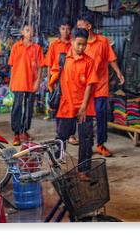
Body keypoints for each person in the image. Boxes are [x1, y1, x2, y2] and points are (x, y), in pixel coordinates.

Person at [49, 28, 99, 176]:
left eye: (84, 45)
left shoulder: (89, 61)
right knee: (61, 136)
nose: (81, 48)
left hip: (85, 106)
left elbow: (90, 84)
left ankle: (83, 170)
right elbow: (53, 79)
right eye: (78, 44)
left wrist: (83, 106)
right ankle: (57, 162)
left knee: (86, 139)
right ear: (72, 41)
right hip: (66, 104)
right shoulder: (63, 59)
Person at [76, 14, 125, 157]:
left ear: (89, 26)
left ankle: (100, 144)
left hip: (100, 86)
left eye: (81, 26)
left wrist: (119, 73)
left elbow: (111, 59)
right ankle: (87, 144)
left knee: (101, 115)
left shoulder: (103, 41)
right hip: (85, 88)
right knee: (86, 118)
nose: (78, 29)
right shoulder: (80, 44)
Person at [8, 24, 43, 146]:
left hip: (31, 83)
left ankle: (24, 130)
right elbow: (12, 67)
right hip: (18, 82)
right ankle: (16, 133)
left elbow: (39, 68)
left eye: (32, 30)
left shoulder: (37, 48)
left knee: (29, 108)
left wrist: (37, 81)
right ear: (22, 32)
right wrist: (11, 83)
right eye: (27, 30)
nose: (30, 32)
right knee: (17, 107)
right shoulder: (16, 47)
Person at [42, 17, 73, 124]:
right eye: (63, 28)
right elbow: (49, 64)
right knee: (57, 104)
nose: (65, 31)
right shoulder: (54, 45)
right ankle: (60, 131)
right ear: (59, 29)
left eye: (68, 29)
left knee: (70, 105)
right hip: (56, 79)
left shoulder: (74, 44)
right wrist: (48, 81)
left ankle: (71, 134)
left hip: (70, 78)